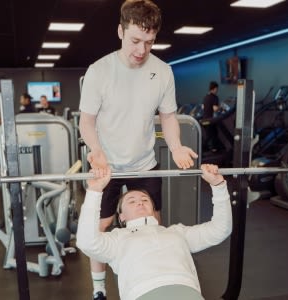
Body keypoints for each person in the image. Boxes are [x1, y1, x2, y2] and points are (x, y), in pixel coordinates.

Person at [78, 1, 198, 299]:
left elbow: (168, 116)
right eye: (135, 41)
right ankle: (98, 289)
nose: (141, 50)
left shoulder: (163, 71)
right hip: (107, 166)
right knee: (101, 229)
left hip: (145, 163)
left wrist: (176, 146)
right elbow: (87, 121)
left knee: (153, 221)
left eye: (149, 42)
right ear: (120, 31)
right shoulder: (99, 71)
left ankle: (154, 276)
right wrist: (95, 149)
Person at [76, 164, 232, 300]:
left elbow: (220, 230)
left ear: (152, 209)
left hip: (185, 288)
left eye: (145, 199)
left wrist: (218, 186)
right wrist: (95, 191)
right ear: (121, 216)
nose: (139, 202)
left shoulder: (176, 232)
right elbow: (86, 242)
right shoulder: (117, 239)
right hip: (143, 291)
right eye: (131, 201)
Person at [201, 81, 223, 152]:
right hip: (210, 120)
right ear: (214, 89)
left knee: (211, 134)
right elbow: (215, 108)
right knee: (212, 135)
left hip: (204, 119)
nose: (217, 91)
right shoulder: (215, 97)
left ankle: (211, 148)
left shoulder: (206, 97)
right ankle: (210, 149)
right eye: (217, 89)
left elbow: (202, 107)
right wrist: (221, 107)